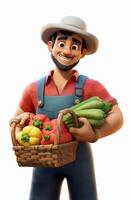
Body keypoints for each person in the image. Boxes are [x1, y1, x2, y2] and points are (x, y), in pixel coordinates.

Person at [10, 16, 123, 200]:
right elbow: (16, 120)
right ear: (50, 46)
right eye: (61, 44)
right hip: (43, 162)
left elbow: (117, 115)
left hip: (80, 161)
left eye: (75, 46)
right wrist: (23, 121)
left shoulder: (90, 87)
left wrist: (95, 134)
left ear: (83, 52)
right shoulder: (34, 89)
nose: (68, 51)